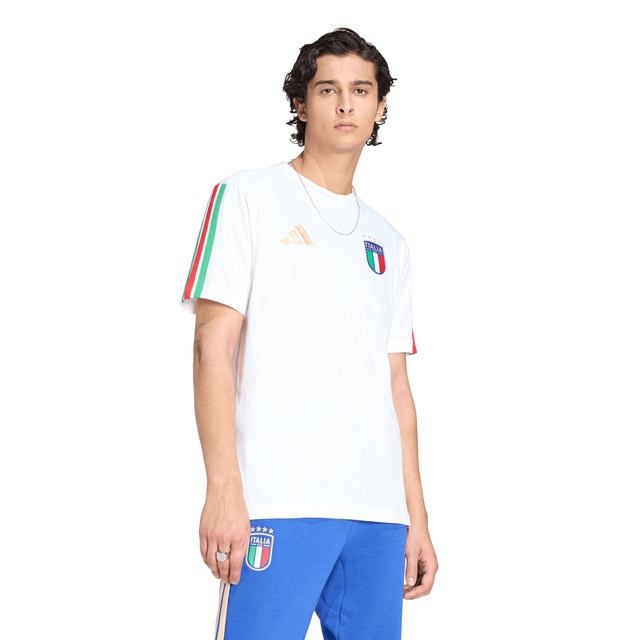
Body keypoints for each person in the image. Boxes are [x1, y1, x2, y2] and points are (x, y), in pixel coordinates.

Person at [180, 27, 438, 640]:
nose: (346, 104)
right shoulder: (247, 197)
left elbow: (397, 390)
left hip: (377, 515)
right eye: (328, 89)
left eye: (361, 90)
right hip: (278, 502)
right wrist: (223, 487)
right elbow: (211, 348)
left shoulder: (391, 242)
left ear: (380, 107)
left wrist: (416, 517)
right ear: (300, 102)